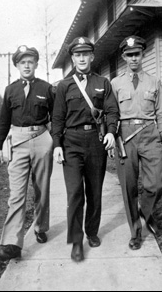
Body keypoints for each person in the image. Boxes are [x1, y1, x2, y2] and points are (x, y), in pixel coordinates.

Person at [51, 37, 119, 262]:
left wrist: (110, 131)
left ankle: (91, 232)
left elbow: (112, 111)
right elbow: (57, 119)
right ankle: (76, 241)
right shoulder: (63, 86)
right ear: (73, 58)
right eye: (77, 54)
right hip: (71, 143)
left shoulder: (103, 82)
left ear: (92, 56)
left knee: (94, 192)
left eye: (85, 54)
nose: (81, 58)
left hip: (95, 141)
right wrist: (57, 145)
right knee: (74, 194)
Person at [0, 45, 55, 260]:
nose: (27, 65)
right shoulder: (11, 90)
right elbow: (4, 120)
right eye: (23, 62)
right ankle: (12, 241)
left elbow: (56, 120)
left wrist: (56, 145)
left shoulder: (47, 88)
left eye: (30, 61)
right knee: (17, 194)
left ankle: (40, 227)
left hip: (41, 140)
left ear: (36, 64)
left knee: (42, 189)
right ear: (17, 65)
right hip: (18, 142)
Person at [111, 35, 162, 250]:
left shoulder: (154, 81)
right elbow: (111, 113)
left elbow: (161, 112)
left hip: (149, 132)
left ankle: (145, 212)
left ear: (142, 54)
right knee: (129, 187)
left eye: (137, 54)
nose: (134, 58)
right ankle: (136, 232)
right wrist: (110, 138)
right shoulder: (115, 83)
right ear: (124, 57)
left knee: (156, 183)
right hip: (124, 136)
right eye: (129, 55)